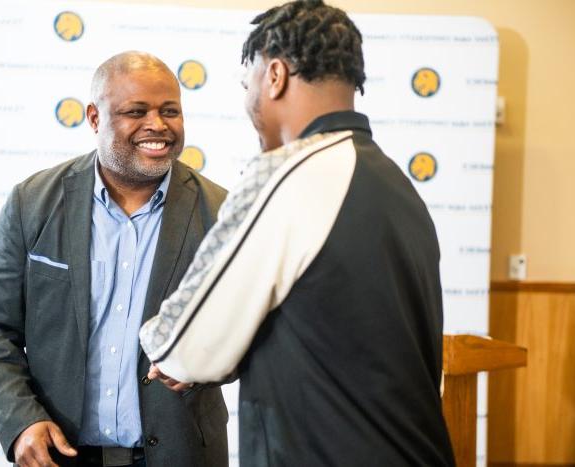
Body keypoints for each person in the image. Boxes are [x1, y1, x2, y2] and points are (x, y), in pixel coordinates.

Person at [139, 2, 456, 466]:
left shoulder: (285, 174)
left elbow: (182, 345)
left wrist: (167, 345)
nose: (249, 102)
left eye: (248, 85)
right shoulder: (398, 187)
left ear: (275, 75)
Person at [0, 51, 229, 467]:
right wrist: (19, 421)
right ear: (94, 118)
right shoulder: (31, 203)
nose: (157, 125)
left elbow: (247, 336)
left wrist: (207, 362)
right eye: (136, 111)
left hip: (181, 454)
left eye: (170, 111)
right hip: (60, 454)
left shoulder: (222, 213)